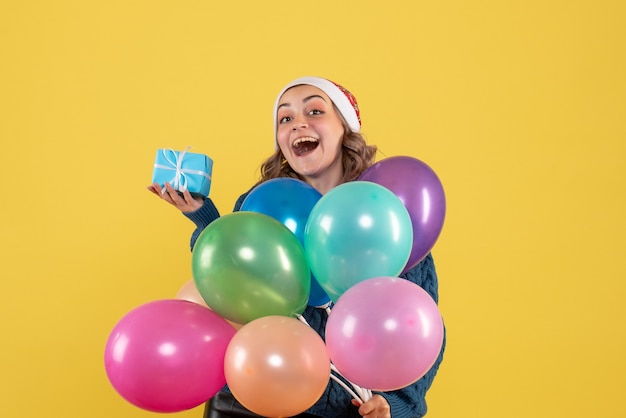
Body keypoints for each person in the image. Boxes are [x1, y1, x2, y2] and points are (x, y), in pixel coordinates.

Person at [148, 76, 446, 418]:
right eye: (284, 118)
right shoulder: (264, 203)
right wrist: (203, 216)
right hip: (248, 396)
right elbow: (229, 279)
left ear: (345, 128)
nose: (297, 123)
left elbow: (420, 324)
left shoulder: (386, 219)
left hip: (343, 411)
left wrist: (395, 406)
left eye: (315, 110)